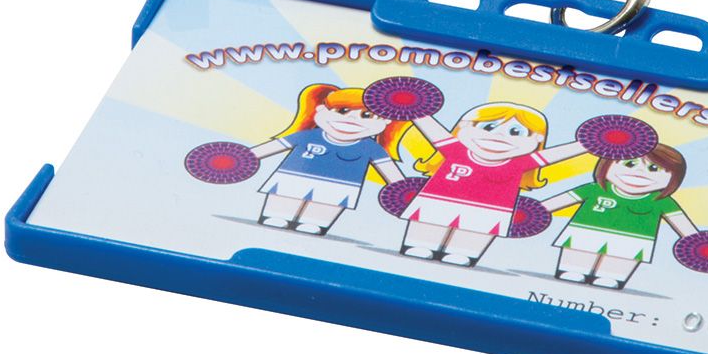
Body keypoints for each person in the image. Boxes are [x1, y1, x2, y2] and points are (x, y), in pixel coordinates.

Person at [401, 102, 585, 267]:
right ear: (464, 126)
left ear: (537, 138)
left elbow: (553, 155)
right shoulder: (457, 150)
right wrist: (412, 104)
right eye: (488, 127)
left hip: (490, 208)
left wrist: (588, 144)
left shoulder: (518, 163)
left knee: (477, 230)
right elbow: (431, 129)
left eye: (516, 132)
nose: (499, 135)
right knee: (429, 222)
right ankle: (420, 244)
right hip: (439, 199)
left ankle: (463, 252)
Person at [249, 84, 409, 235]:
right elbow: (270, 148)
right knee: (284, 196)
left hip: (340, 185)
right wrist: (243, 157)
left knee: (327, 204)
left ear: (386, 121)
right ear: (321, 109)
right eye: (342, 111)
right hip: (293, 176)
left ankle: (315, 222)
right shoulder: (307, 136)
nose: (352, 119)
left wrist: (404, 191)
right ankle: (277, 215)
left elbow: (389, 171)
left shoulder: (371, 148)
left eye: (366, 115)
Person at [541, 144, 698, 290]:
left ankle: (611, 276)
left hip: (633, 239)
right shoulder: (596, 189)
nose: (639, 172)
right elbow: (559, 201)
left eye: (654, 168)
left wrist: (698, 243)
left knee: (622, 259)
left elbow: (680, 221)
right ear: (606, 165)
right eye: (630, 164)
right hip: (585, 231)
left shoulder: (661, 201)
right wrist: (535, 211)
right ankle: (573, 269)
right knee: (579, 251)